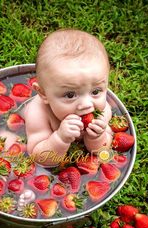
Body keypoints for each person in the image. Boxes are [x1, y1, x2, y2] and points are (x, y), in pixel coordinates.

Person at [24, 29, 113, 167]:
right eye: (70, 95)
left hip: (78, 156)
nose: (86, 104)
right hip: (47, 151)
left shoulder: (102, 110)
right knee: (9, 142)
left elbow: (103, 152)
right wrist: (59, 139)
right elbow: (37, 158)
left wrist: (97, 137)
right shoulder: (38, 113)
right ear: (43, 94)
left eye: (96, 91)